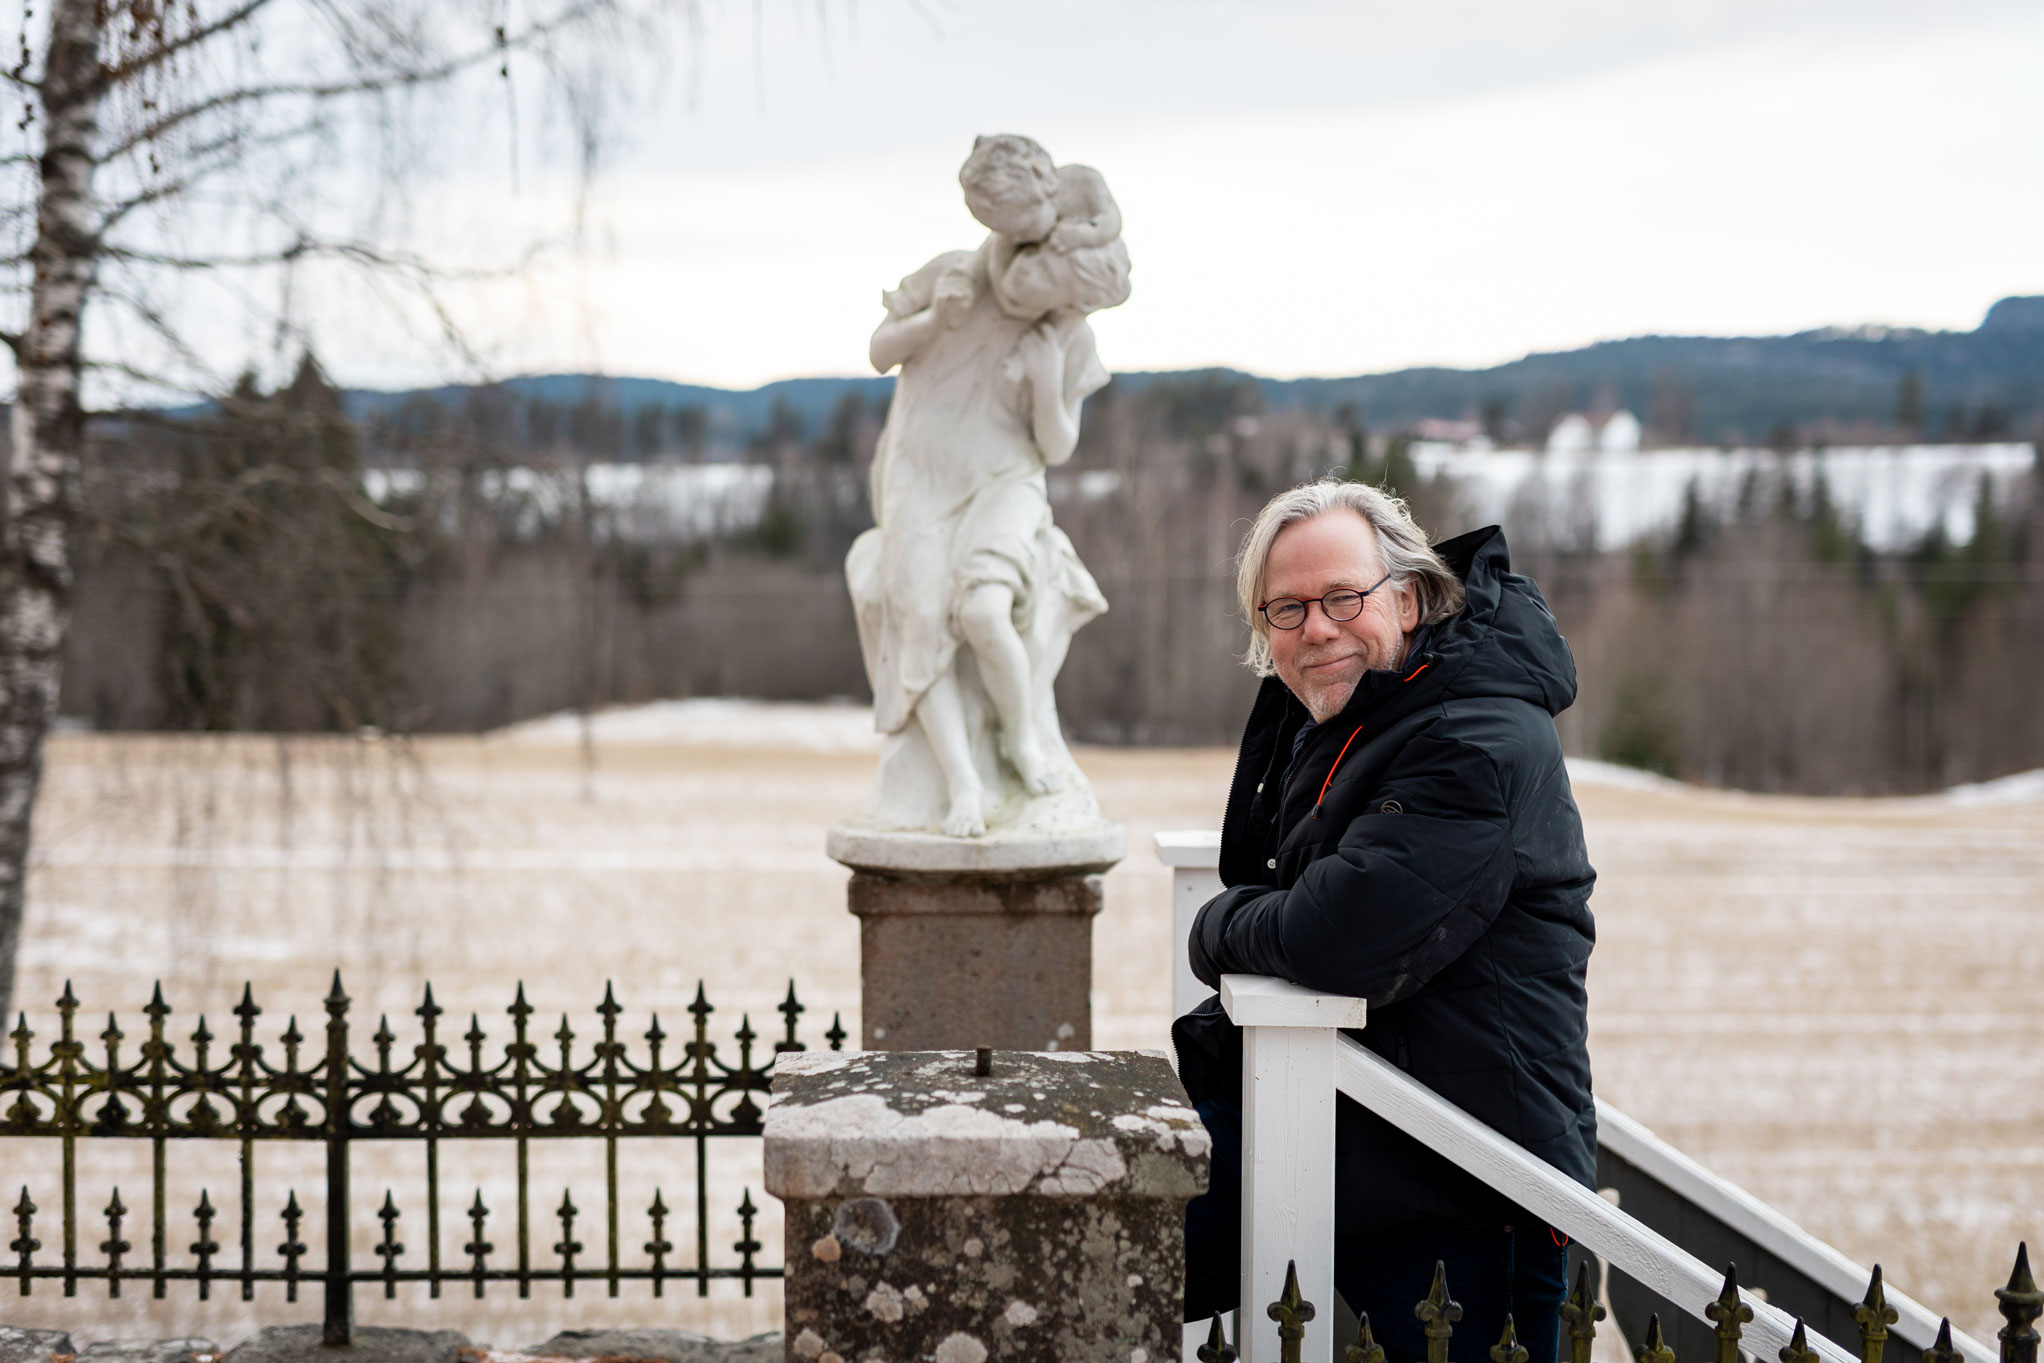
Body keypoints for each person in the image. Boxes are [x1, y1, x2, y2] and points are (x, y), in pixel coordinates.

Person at [1173, 478, 1597, 1363]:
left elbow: (1341, 934)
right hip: (1367, 1151)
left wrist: (1217, 927)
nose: (1316, 628)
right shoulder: (1373, 712)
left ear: (1408, 595)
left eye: (1342, 597)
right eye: (1284, 608)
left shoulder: (1473, 737)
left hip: (1473, 1200)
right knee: (1103, 1258)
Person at [846, 139, 1130, 837]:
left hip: (1005, 483)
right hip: (922, 478)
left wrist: (1039, 381)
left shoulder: (1065, 337)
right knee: (916, 620)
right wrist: (929, 323)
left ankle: (1019, 739)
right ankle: (963, 784)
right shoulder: (955, 279)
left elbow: (1057, 445)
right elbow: (880, 350)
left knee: (981, 613)